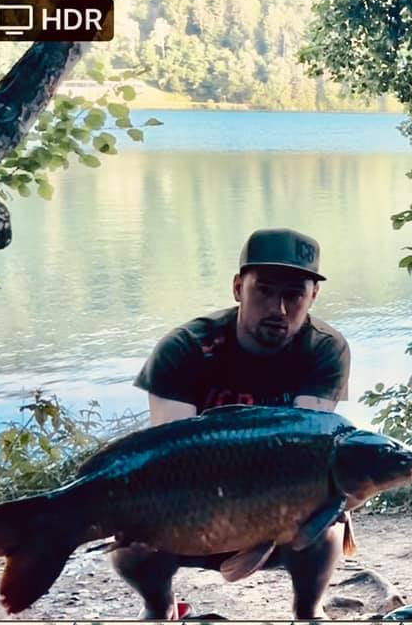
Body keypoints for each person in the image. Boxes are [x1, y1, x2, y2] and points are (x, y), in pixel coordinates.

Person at [113, 227, 352, 620]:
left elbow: (311, 452)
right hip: (191, 514)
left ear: (313, 297)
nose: (278, 308)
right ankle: (160, 609)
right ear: (239, 287)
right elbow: (166, 460)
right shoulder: (185, 347)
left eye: (294, 294)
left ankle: (309, 612)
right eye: (265, 290)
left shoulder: (324, 350)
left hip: (275, 512)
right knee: (132, 544)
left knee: (325, 523)